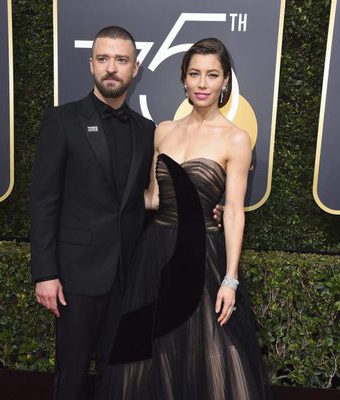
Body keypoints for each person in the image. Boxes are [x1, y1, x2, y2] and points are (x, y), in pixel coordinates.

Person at [101, 38, 272, 399]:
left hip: (203, 256)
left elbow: (236, 211)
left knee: (209, 357)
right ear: (183, 79)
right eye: (194, 74)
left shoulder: (236, 139)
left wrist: (231, 279)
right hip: (156, 252)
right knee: (150, 356)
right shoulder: (163, 131)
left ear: (226, 81)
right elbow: (152, 197)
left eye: (212, 75)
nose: (202, 83)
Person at [30, 26, 155, 400]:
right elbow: (43, 201)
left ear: (136, 67)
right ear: (91, 65)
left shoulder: (147, 130)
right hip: (75, 280)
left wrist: (205, 207)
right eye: (103, 59)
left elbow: (150, 199)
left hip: (128, 280)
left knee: (120, 382)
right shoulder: (62, 121)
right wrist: (45, 273)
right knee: (70, 380)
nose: (111, 68)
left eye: (121, 60)